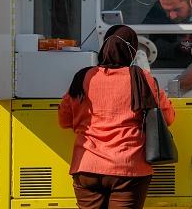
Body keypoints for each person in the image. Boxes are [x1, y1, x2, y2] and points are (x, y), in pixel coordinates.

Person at [58, 25, 175, 209]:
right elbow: (167, 117)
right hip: (128, 168)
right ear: (132, 52)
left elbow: (64, 120)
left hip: (87, 166)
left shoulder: (83, 77)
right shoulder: (141, 78)